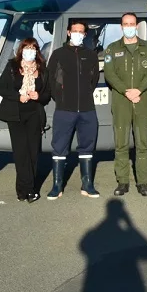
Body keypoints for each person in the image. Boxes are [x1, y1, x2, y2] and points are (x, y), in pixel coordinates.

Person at [103, 12, 147, 197]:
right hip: (121, 100)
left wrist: (138, 90)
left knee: (142, 142)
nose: (128, 26)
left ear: (136, 26)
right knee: (121, 143)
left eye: (132, 23)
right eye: (125, 24)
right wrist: (126, 91)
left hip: (141, 100)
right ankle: (123, 182)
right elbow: (110, 74)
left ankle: (143, 182)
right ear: (121, 27)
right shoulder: (112, 48)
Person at [45, 20, 102, 199]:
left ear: (85, 35)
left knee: (87, 146)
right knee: (59, 147)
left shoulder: (91, 55)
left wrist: (84, 96)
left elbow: (93, 81)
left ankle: (87, 185)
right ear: (68, 32)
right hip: (64, 109)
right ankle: (57, 186)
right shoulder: (58, 54)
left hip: (87, 109)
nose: (77, 33)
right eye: (74, 30)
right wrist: (61, 98)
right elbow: (50, 79)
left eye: (81, 31)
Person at [0, 37, 52, 202]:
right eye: (27, 48)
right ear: (21, 50)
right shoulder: (12, 66)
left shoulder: (42, 69)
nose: (30, 51)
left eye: (33, 48)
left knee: (33, 152)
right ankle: (25, 189)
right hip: (16, 114)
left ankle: (28, 189)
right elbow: (1, 88)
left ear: (37, 51)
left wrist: (38, 95)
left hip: (34, 113)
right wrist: (18, 96)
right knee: (21, 153)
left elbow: (47, 94)